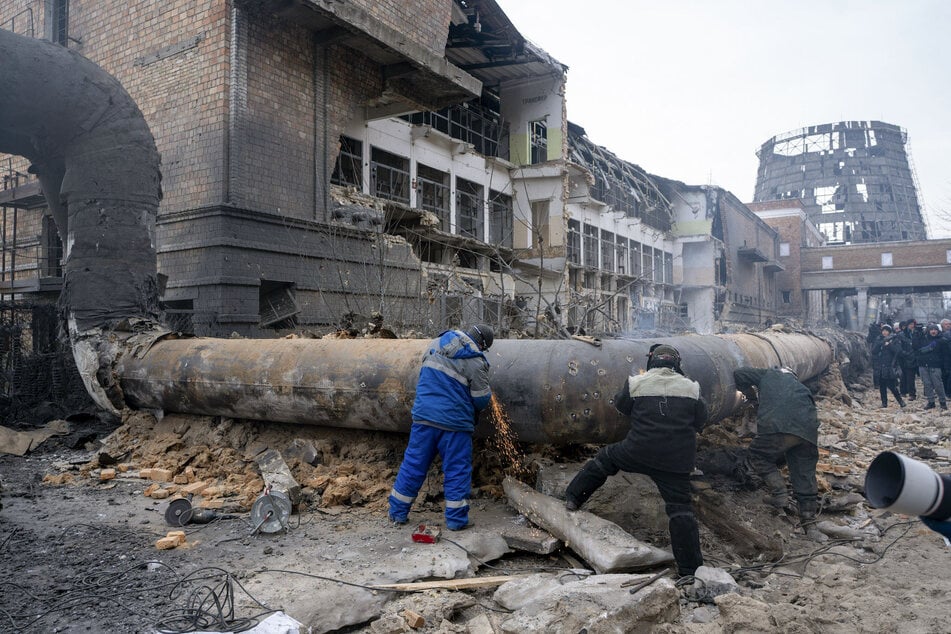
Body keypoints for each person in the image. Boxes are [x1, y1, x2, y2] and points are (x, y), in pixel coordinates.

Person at [563, 344, 708, 577]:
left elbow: (622, 407)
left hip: (638, 450)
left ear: (651, 361)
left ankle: (572, 498)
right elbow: (701, 420)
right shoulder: (692, 388)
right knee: (680, 510)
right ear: (677, 364)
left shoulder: (636, 383)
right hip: (676, 460)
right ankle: (690, 570)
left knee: (604, 461)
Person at [388, 324, 494, 531]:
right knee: (456, 470)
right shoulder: (476, 360)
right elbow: (481, 400)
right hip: (454, 424)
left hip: (424, 417)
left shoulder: (435, 343)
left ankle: (397, 513)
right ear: (481, 344)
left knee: (413, 464)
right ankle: (456, 520)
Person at [733, 366, 826, 542]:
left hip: (778, 427)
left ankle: (779, 494)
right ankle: (810, 526)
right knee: (804, 473)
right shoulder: (800, 387)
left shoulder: (768, 373)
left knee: (757, 455)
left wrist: (752, 396)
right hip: (807, 431)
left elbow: (739, 373)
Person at [871, 324, 906, 409]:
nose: (884, 332)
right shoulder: (879, 339)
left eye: (886, 331)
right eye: (883, 330)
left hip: (890, 365)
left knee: (892, 386)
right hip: (880, 366)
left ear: (889, 332)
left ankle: (901, 401)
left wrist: (889, 345)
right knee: (882, 386)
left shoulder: (894, 339)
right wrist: (881, 344)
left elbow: (898, 351)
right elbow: (874, 351)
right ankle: (884, 403)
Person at [915, 323, 948, 410]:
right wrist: (917, 333)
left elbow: (946, 355)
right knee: (927, 384)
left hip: (936, 366)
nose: (933, 331)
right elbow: (915, 347)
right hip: (923, 365)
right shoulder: (923, 339)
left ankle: (942, 402)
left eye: (935, 330)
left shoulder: (942, 341)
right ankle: (931, 402)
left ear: (938, 331)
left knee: (938, 384)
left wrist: (946, 367)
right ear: (928, 331)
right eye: (931, 330)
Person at [897, 320, 917, 400]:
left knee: (911, 376)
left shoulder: (916, 333)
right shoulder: (901, 334)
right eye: (910, 324)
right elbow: (899, 346)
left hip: (913, 358)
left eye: (913, 324)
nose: (912, 326)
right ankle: (903, 392)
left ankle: (912, 394)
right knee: (904, 376)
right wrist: (904, 353)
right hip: (904, 358)